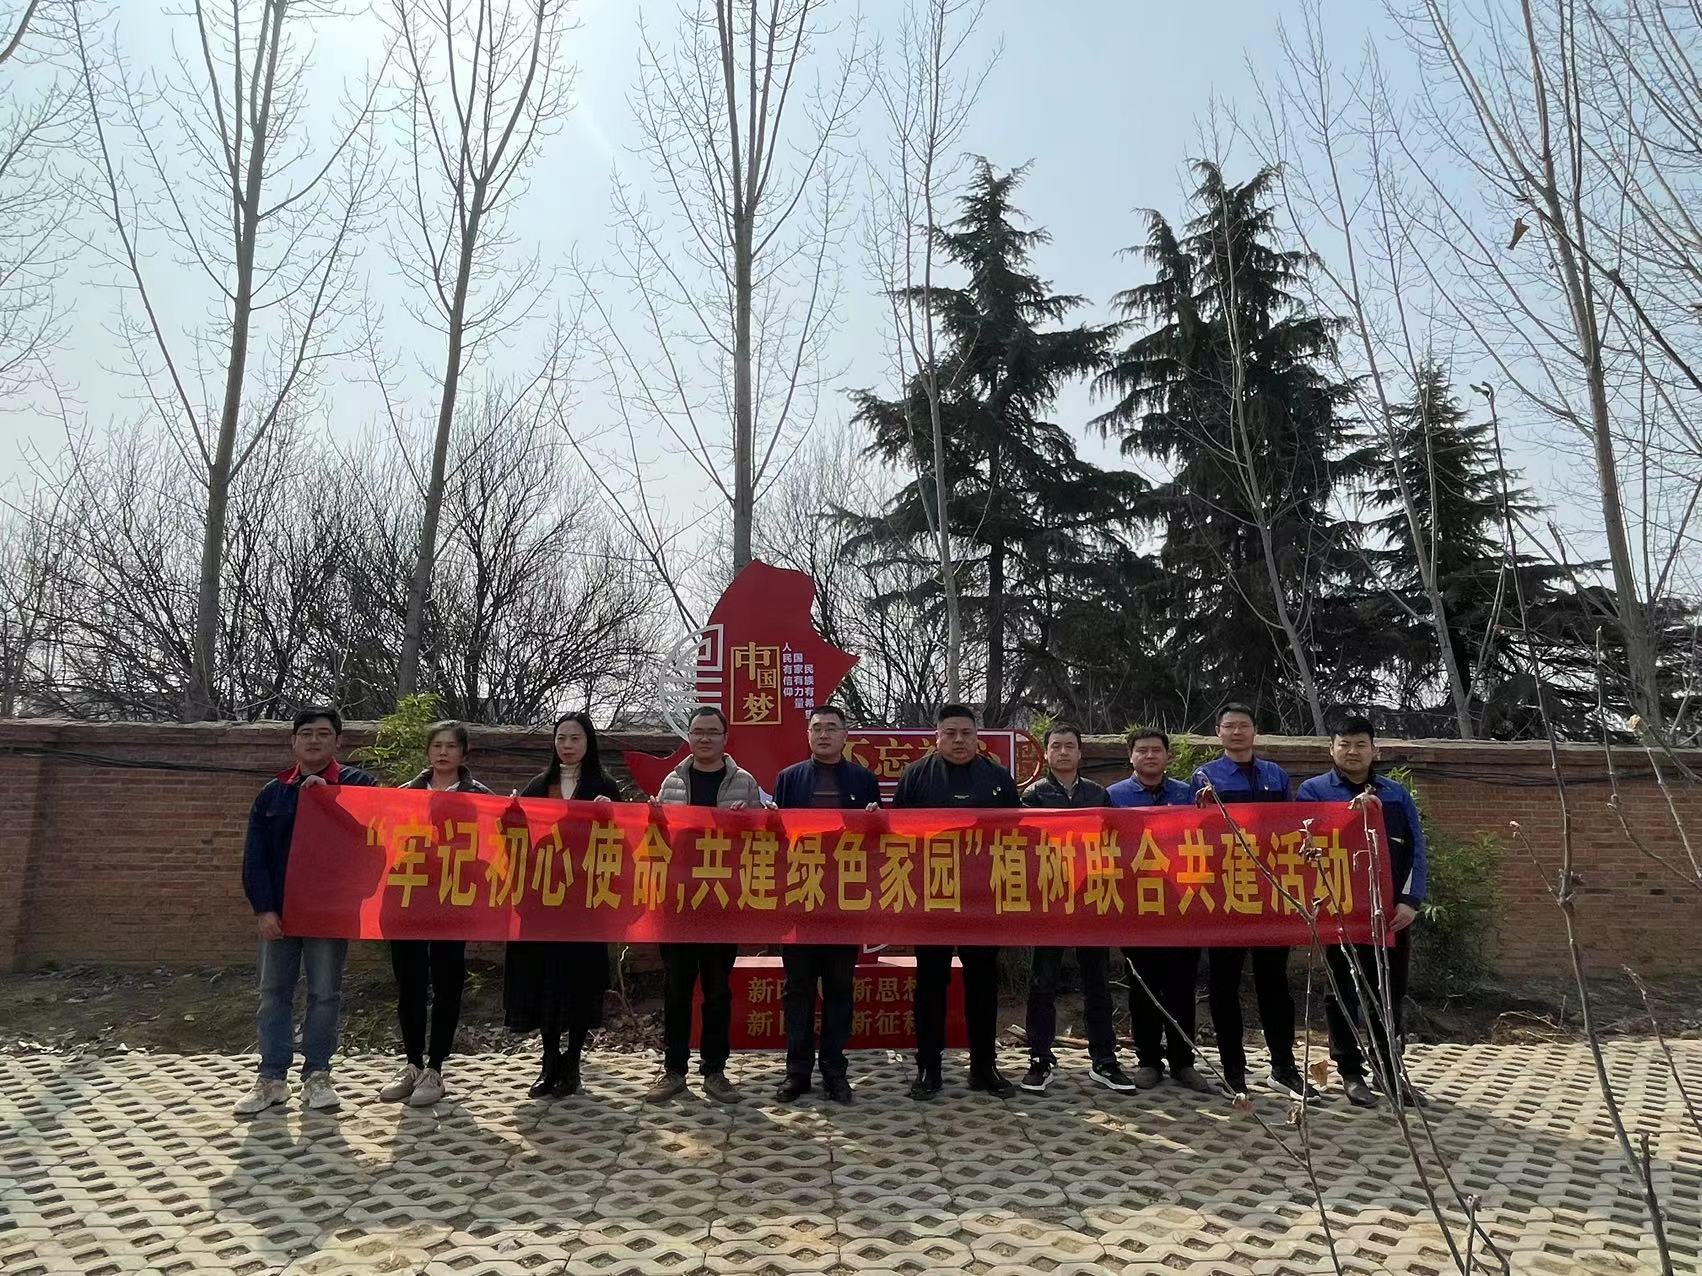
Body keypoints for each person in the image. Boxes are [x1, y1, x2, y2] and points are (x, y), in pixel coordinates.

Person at [236, 707, 379, 1116]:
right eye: (306, 734)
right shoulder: (273, 793)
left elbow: (374, 842)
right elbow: (255, 858)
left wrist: (331, 799)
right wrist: (264, 909)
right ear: (293, 742)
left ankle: (317, 1075)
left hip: (328, 914)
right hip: (280, 913)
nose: (314, 740)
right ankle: (271, 1077)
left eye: (323, 733)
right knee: (273, 994)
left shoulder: (360, 786)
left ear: (338, 741)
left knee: (325, 994)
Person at [1297, 716, 1428, 1108]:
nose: (1352, 752)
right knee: (1341, 991)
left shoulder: (1395, 794)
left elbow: (1416, 850)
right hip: (1339, 911)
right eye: (1344, 744)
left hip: (1389, 914)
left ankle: (1389, 1069)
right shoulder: (1313, 791)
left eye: (1360, 744)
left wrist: (1410, 901)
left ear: (1375, 750)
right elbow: (1302, 846)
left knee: (1389, 991)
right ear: (1331, 749)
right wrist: (1351, 813)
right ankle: (1350, 1072)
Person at [894, 703, 1019, 1101]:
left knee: (983, 982)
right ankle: (928, 1068)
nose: (959, 740)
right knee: (931, 983)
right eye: (950, 733)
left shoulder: (997, 778)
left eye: (966, 733)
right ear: (937, 736)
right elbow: (898, 837)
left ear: (978, 736)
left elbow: (1017, 836)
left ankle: (984, 1066)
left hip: (983, 898)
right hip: (932, 897)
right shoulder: (916, 776)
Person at [1191, 702, 1314, 1100]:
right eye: (1229, 726)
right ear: (1218, 733)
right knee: (1224, 985)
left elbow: (1289, 827)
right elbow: (1194, 831)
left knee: (1274, 983)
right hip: (1225, 894)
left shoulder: (1276, 775)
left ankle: (1284, 1068)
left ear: (1254, 730)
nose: (1237, 732)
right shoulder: (1205, 775)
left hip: (1270, 893)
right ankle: (1233, 1070)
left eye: (1243, 725)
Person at [646, 706, 763, 1105]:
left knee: (717, 991)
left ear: (725, 738)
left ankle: (715, 1071)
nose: (705, 738)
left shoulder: (744, 782)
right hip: (679, 904)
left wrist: (748, 822)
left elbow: (761, 841)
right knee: (676, 989)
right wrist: (654, 818)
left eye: (713, 732)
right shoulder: (672, 781)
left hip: (721, 903)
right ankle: (673, 1071)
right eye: (698, 731)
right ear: (689, 736)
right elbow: (659, 842)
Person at [505, 711, 623, 1100]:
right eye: (561, 738)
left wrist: (612, 816)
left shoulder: (604, 787)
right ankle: (548, 1062)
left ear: (589, 743)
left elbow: (623, 846)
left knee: (579, 984)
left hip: (586, 905)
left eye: (575, 738)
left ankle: (572, 1064)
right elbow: (519, 843)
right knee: (545, 983)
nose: (567, 746)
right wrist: (511, 815)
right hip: (543, 904)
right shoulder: (539, 786)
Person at [771, 704, 882, 1105]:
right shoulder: (789, 779)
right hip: (800, 899)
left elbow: (876, 842)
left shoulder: (863, 780)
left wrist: (875, 820)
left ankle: (835, 1071)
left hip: (844, 902)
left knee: (839, 988)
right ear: (808, 735)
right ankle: (797, 1072)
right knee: (798, 989)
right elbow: (778, 839)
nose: (823, 734)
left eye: (831, 728)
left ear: (845, 735)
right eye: (816, 728)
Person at [1018, 723, 1136, 1094]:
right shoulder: (1033, 795)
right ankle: (1040, 1057)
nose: (1063, 752)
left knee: (1097, 982)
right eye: (1056, 746)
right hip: (1049, 900)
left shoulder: (1097, 794)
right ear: (1047, 753)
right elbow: (1022, 844)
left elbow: (1113, 841)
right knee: (1043, 983)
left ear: (1080, 753)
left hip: (1091, 898)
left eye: (1070, 746)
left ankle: (1104, 1059)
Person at [380, 721, 491, 1107]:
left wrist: (511, 813)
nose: (443, 752)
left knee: (447, 985)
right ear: (428, 752)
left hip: (452, 901)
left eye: (451, 746)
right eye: (437, 745)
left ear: (463, 753)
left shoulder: (479, 798)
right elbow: (383, 842)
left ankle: (436, 1069)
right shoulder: (405, 795)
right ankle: (412, 1064)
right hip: (408, 898)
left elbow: (494, 846)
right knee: (409, 984)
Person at [1106, 728, 1216, 1095]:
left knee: (1182, 987)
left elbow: (1207, 838)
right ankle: (1148, 1060)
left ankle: (1183, 1062)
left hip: (1182, 906)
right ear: (1131, 757)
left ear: (1168, 756)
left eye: (1156, 750)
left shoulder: (1187, 795)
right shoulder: (1113, 796)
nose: (1150, 756)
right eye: (1142, 750)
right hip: (1137, 907)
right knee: (1142, 986)